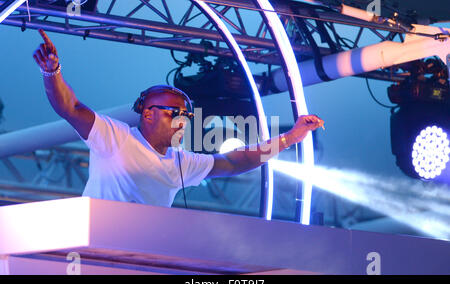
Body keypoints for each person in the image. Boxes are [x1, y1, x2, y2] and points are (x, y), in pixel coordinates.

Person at [33, 29, 325, 207]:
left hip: (144, 256)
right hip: (95, 246)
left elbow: (237, 161)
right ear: (148, 114)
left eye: (186, 115)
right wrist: (52, 72)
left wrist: (290, 138)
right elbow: (69, 107)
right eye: (175, 113)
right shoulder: (116, 137)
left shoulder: (181, 162)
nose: (183, 120)